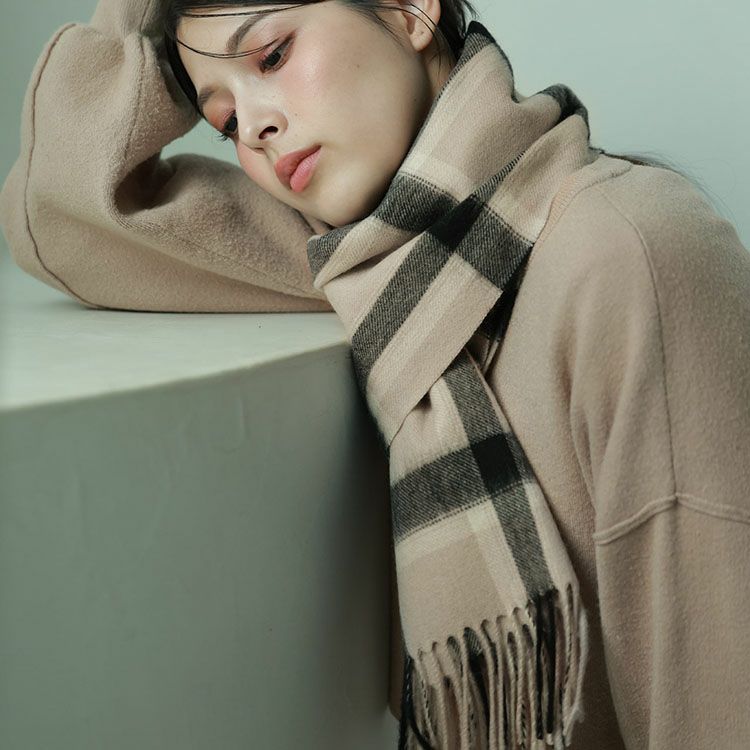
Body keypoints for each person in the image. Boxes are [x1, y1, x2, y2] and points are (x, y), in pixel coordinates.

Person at [2, 0, 749, 747]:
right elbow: (64, 204)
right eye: (223, 121)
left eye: (272, 56)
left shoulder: (630, 252)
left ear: (411, 11)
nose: (253, 127)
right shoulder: (365, 267)